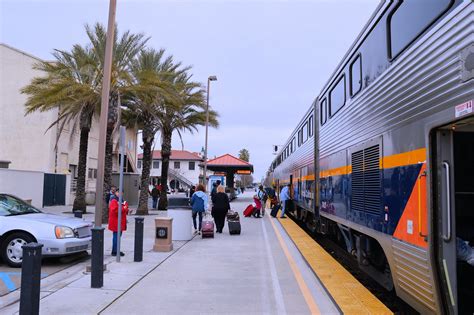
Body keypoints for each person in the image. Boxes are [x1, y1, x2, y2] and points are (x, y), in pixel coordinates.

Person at [108, 191, 128, 256]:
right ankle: (115, 251)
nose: (120, 194)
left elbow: (123, 209)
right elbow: (115, 211)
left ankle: (115, 250)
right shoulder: (114, 201)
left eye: (122, 192)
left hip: (120, 222)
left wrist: (127, 209)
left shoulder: (121, 200)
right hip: (116, 222)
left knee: (117, 237)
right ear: (116, 193)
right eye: (118, 192)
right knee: (116, 237)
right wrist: (124, 208)